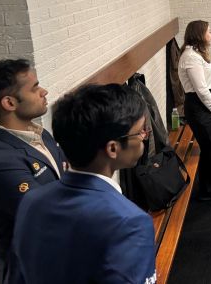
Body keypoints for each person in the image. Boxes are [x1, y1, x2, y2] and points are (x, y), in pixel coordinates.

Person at [13, 84, 156, 284]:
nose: (143, 138)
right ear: (113, 148)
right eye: (140, 132)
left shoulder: (32, 201)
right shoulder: (130, 222)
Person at [0, 59, 66, 284]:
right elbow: (46, 213)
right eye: (34, 88)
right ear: (9, 103)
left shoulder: (39, 134)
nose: (44, 91)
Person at [178, 20, 211, 201]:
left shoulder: (197, 54)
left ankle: (208, 186)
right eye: (209, 32)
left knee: (210, 148)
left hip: (208, 104)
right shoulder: (190, 57)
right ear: (199, 34)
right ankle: (208, 188)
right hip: (199, 107)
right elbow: (201, 90)